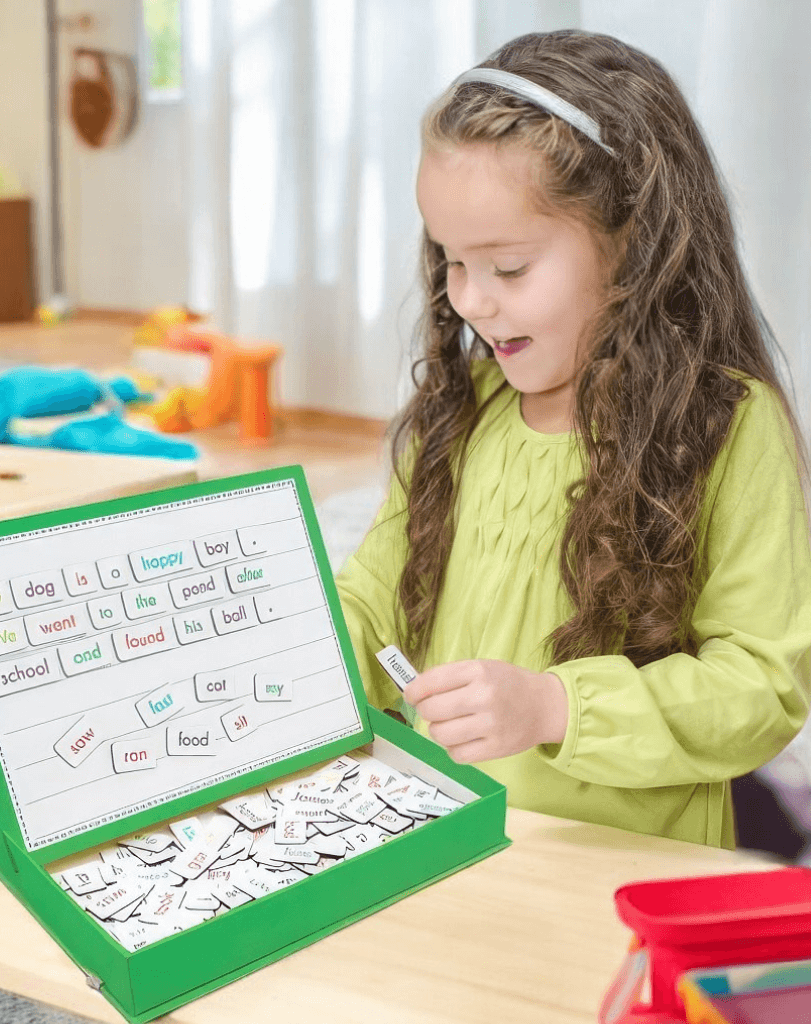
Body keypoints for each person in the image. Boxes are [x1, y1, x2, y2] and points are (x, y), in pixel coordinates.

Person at [335, 28, 811, 848]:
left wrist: (554, 707)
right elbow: (374, 596)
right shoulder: (463, 409)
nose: (471, 303)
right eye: (450, 262)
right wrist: (306, 660)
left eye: (509, 268)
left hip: (619, 870)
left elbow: (762, 689)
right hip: (446, 842)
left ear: (634, 245)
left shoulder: (729, 425)